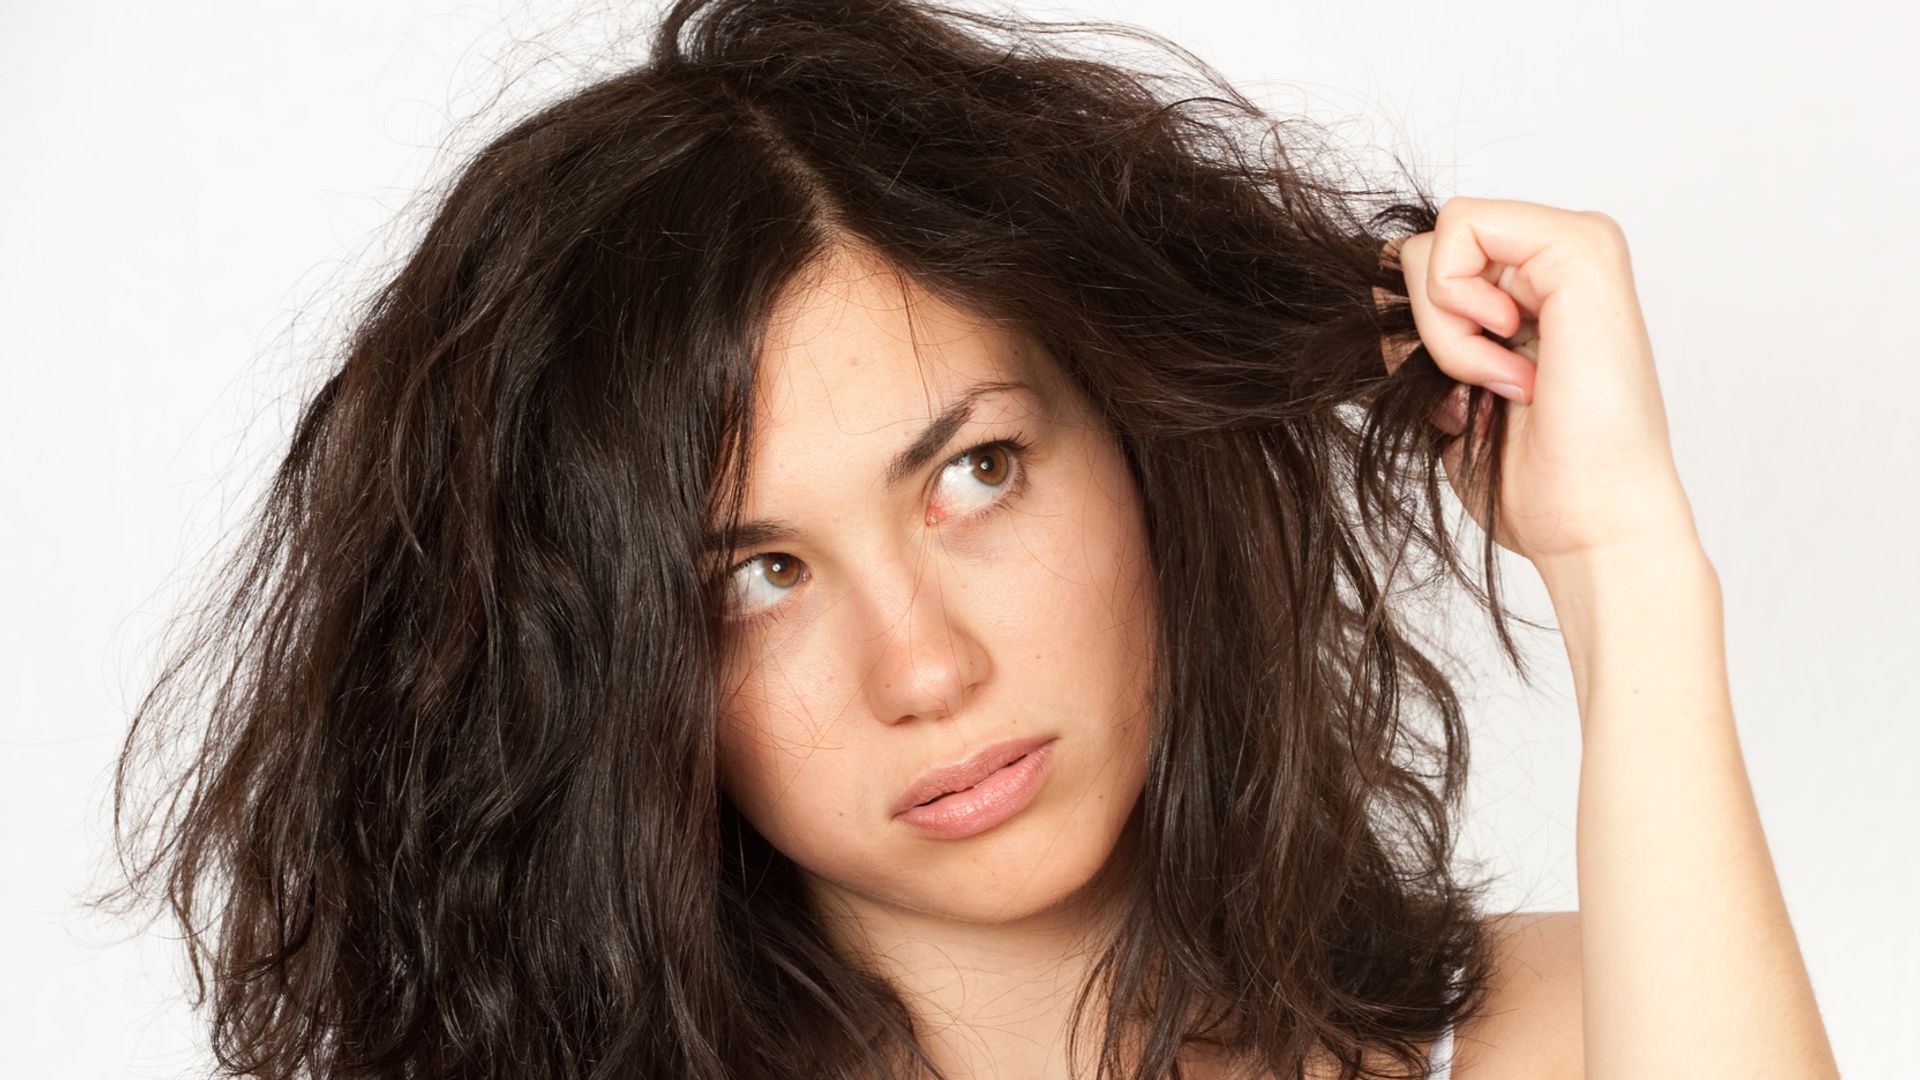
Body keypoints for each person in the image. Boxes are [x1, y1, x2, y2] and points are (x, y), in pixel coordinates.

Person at [103, 0, 1836, 1077]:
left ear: (1139, 443)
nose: (924, 666)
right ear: (601, 674)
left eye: (977, 472)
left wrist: (1622, 565)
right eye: (757, 580)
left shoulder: (1584, 1030)